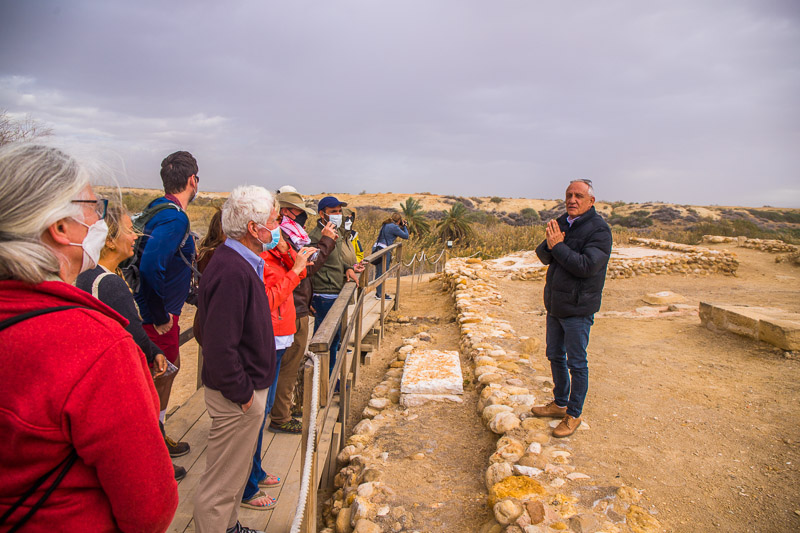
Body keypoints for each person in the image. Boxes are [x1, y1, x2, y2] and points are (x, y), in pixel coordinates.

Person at [0, 143, 177, 531]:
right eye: (94, 209)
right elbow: (151, 506)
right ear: (60, 227)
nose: (100, 220)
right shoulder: (93, 343)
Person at [75, 203, 190, 481]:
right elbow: (133, 331)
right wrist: (153, 352)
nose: (136, 236)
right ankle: (156, 470)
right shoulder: (109, 283)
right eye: (129, 230)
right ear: (110, 240)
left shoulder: (89, 276)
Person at [192, 185, 279, 533]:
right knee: (221, 483)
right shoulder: (232, 270)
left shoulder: (237, 262)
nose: (278, 227)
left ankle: (229, 528)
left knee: (235, 474)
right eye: (274, 220)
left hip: (242, 391)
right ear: (255, 229)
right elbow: (217, 342)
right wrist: (242, 394)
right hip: (236, 397)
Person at [240, 215, 316, 510]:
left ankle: (255, 471)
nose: (279, 229)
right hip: (269, 338)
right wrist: (295, 270)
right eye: (273, 223)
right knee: (257, 415)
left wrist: (290, 255)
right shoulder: (260, 260)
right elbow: (268, 299)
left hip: (281, 336)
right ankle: (247, 485)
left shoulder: (277, 255)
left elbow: (298, 275)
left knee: (265, 409)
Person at [530, 179, 612, 438]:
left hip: (578, 308)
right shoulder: (563, 222)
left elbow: (586, 266)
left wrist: (559, 246)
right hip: (556, 304)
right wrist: (551, 243)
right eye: (569, 195)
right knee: (555, 355)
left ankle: (573, 414)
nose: (572, 200)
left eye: (578, 195)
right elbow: (543, 256)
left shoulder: (599, 230)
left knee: (576, 362)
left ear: (591, 201)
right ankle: (559, 402)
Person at [134, 150, 199, 457]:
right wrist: (160, 314)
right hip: (158, 317)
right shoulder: (175, 218)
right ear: (192, 181)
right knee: (162, 377)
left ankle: (157, 437)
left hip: (148, 311)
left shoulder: (155, 209)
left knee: (162, 375)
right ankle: (154, 447)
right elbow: (150, 266)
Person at [269, 190, 336, 432]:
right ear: (286, 211)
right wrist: (327, 241)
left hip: (295, 303)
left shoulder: (292, 233)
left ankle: (281, 408)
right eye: (298, 212)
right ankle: (280, 416)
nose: (302, 218)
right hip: (291, 307)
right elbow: (305, 267)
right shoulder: (285, 235)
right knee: (289, 362)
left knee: (289, 361)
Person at [309, 196, 365, 377]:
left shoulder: (337, 233)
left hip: (337, 291)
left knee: (335, 340)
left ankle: (330, 379)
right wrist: (309, 297)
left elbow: (338, 259)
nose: (338, 215)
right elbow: (310, 268)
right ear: (322, 214)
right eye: (334, 212)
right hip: (323, 294)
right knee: (324, 342)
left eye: (339, 211)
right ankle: (322, 382)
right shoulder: (315, 237)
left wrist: (348, 268)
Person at [372, 212, 409, 299]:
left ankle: (378, 292)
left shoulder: (386, 224)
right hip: (384, 251)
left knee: (379, 272)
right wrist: (404, 227)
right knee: (383, 272)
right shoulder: (394, 227)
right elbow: (406, 236)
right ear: (399, 220)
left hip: (376, 248)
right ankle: (380, 294)